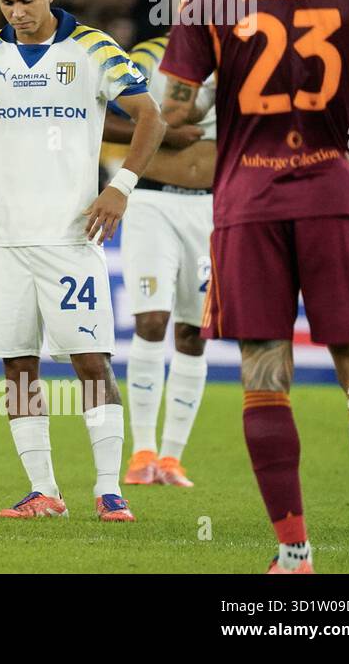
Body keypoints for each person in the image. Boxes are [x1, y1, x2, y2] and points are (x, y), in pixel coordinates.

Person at [160, 0, 349, 574]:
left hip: (247, 202)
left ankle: (294, 554)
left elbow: (174, 111)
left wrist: (213, 102)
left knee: (265, 366)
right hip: (335, 194)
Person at [0, 0, 166, 523]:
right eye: (7, 2)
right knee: (17, 366)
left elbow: (151, 118)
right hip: (2, 239)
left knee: (90, 362)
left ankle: (110, 488)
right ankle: (44, 490)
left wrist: (122, 186)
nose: (18, 12)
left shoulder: (92, 49)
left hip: (69, 237)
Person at [103, 37, 216, 488]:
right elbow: (96, 117)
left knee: (194, 332)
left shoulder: (244, 60)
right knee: (151, 320)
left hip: (212, 206)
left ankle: (172, 458)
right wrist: (161, 131)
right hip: (151, 199)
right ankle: (143, 452)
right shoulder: (146, 57)